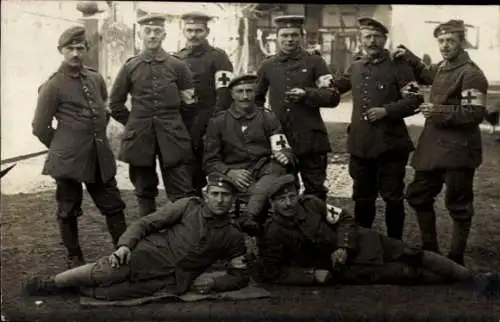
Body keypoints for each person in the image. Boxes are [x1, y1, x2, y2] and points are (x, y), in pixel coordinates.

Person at [257, 175, 499, 296]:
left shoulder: (310, 203)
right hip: (344, 269)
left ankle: (475, 279)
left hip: (362, 242)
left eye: (291, 196)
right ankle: (457, 282)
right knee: (406, 273)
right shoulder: (273, 233)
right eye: (281, 199)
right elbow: (274, 272)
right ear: (271, 203)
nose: (289, 203)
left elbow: (345, 219)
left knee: (413, 254)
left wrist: (343, 245)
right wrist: (312, 275)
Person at [24, 174, 249, 301]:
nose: (220, 200)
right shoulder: (188, 206)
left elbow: (239, 275)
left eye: (226, 195)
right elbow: (146, 223)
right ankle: (51, 282)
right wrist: (125, 246)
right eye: (215, 194)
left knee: (108, 293)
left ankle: (76, 288)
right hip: (149, 254)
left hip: (174, 279)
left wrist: (215, 282)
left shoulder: (233, 235)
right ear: (205, 195)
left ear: (233, 199)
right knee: (107, 270)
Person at [393, 20, 489, 265]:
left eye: (451, 41)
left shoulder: (471, 73)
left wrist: (437, 110)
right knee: (418, 195)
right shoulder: (443, 67)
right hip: (433, 150)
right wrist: (410, 57)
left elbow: (474, 113)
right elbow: (428, 74)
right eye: (442, 41)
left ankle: (456, 257)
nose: (445, 46)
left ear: (461, 42)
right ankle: (430, 249)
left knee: (458, 205)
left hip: (458, 151)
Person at [32, 26, 127, 269]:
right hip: (68, 160)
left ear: (86, 49)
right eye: (69, 49)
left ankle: (124, 252)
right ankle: (74, 257)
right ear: (61, 51)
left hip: (98, 156)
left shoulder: (95, 78)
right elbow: (40, 126)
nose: (75, 53)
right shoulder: (52, 85)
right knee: (68, 208)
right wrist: (62, 147)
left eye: (79, 48)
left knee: (113, 205)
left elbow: (103, 112)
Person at [329, 17, 423, 240]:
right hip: (361, 145)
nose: (372, 41)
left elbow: (415, 99)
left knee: (392, 198)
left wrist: (387, 111)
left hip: (390, 146)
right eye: (367, 37)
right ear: (360, 40)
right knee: (362, 197)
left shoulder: (399, 65)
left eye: (376, 37)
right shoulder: (356, 66)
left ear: (384, 39)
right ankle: (365, 243)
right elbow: (334, 89)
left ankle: (395, 244)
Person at [109, 14, 197, 217]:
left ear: (164, 34)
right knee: (144, 190)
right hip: (140, 137)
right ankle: (148, 237)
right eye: (147, 31)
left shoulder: (177, 66)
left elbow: (190, 104)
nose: (152, 36)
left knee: (181, 189)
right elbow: (115, 104)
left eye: (157, 31)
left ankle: (182, 235)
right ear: (140, 34)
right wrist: (134, 122)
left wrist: (175, 123)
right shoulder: (131, 66)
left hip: (173, 135)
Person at [254, 15, 341, 202]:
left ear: (301, 36)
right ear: (276, 38)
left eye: (294, 35)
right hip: (281, 140)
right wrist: (264, 125)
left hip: (311, 138)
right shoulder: (268, 65)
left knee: (315, 191)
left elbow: (332, 96)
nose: (289, 39)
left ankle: (314, 229)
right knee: (283, 191)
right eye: (284, 35)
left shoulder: (315, 62)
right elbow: (256, 99)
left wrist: (307, 94)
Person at [203, 74, 294, 233]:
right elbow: (210, 161)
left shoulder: (267, 117)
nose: (244, 96)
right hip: (235, 176)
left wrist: (284, 155)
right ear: (232, 94)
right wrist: (230, 172)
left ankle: (249, 216)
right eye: (240, 91)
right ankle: (252, 221)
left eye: (249, 91)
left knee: (278, 168)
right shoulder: (218, 121)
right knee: (268, 187)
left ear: (255, 93)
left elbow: (282, 147)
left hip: (264, 173)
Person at [176, 12, 234, 196]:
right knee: (187, 167)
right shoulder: (178, 57)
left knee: (212, 164)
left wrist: (215, 123)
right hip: (184, 122)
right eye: (189, 30)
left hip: (209, 118)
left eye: (198, 30)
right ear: (183, 31)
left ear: (207, 31)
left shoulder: (218, 57)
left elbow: (224, 94)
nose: (193, 34)